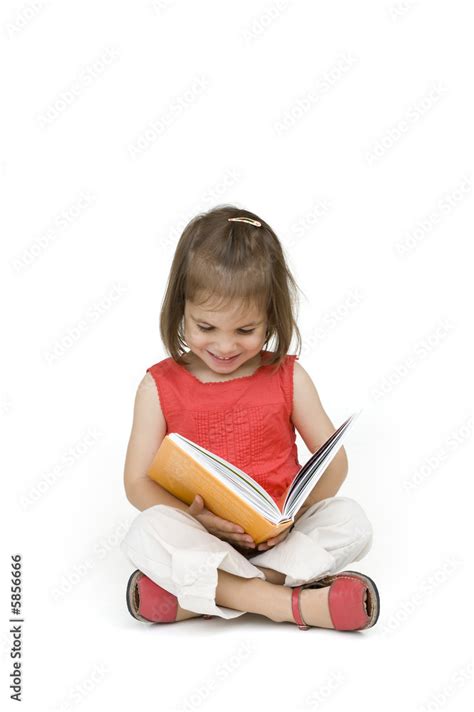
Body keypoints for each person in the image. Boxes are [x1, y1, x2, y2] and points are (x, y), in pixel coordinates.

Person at [120, 205, 380, 631]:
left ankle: (213, 595)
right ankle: (285, 602)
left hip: (281, 539)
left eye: (244, 331)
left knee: (351, 521)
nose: (224, 346)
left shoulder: (289, 377)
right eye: (206, 327)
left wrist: (292, 519)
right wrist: (195, 518)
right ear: (180, 311)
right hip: (204, 537)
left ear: (271, 318)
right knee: (147, 529)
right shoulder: (157, 387)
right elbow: (137, 484)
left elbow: (335, 462)